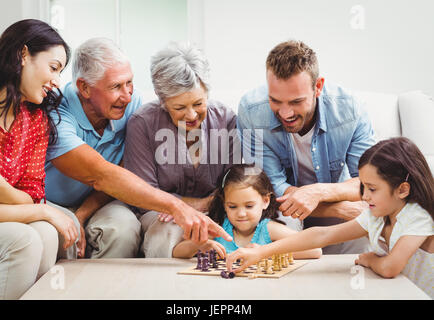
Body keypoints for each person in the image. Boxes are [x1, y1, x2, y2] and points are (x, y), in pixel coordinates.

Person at [45, 38, 231, 259]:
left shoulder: (129, 105)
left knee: (121, 229)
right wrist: (176, 206)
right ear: (84, 88)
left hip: (101, 198)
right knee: (67, 235)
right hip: (53, 201)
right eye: (116, 86)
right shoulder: (56, 113)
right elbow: (101, 175)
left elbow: (122, 170)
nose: (127, 95)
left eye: (129, 82)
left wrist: (84, 213)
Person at [227, 137, 434, 298]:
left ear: (403, 189)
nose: (364, 196)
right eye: (362, 187)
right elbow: (322, 235)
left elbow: (389, 268)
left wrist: (371, 259)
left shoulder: (418, 216)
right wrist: (262, 252)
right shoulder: (378, 215)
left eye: (372, 188)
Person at [237, 40, 375, 254]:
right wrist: (338, 208)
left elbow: (370, 182)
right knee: (286, 223)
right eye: (275, 101)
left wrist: (320, 192)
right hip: (285, 209)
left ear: (317, 87)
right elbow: (271, 188)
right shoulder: (251, 111)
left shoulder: (350, 110)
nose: (285, 113)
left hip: (335, 196)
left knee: (364, 228)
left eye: (296, 102)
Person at [0, 19, 78, 299]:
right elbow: (32, 206)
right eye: (53, 68)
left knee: (47, 234)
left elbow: (31, 198)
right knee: (23, 241)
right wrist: (40, 210)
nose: (56, 81)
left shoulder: (36, 120)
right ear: (22, 55)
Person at [124, 42, 239, 257]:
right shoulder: (142, 123)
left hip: (219, 209)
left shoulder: (226, 118)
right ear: (163, 101)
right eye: (179, 108)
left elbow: (235, 182)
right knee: (166, 230)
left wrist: (211, 206)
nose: (192, 115)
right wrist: (196, 204)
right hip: (162, 213)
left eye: (198, 103)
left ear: (207, 93)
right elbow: (146, 194)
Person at [172, 164, 322, 259]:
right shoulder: (217, 229)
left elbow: (315, 250)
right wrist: (199, 245)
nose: (241, 213)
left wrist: (266, 251)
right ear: (224, 203)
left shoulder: (268, 229)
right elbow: (177, 252)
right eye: (232, 206)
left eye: (249, 206)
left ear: (265, 201)